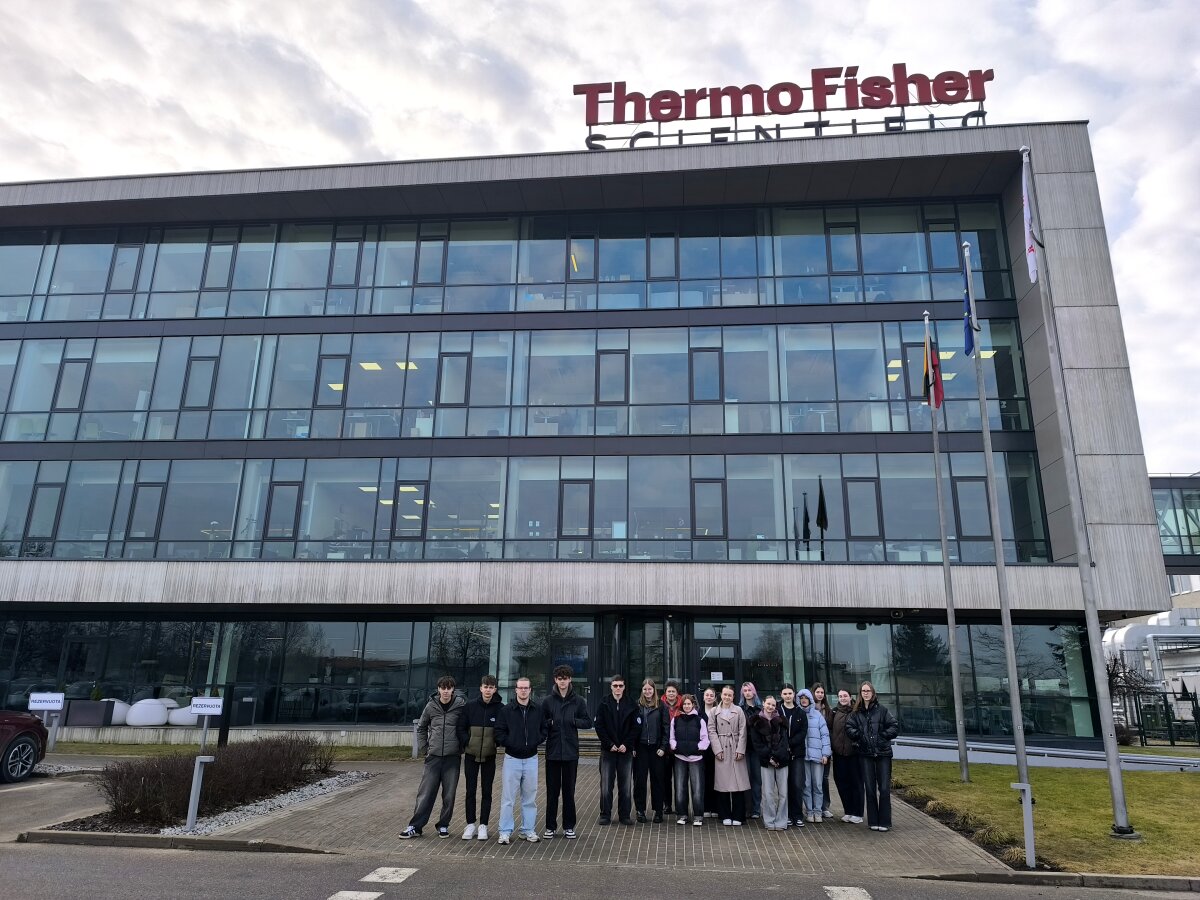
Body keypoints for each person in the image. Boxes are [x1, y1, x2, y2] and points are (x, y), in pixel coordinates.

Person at [398, 675, 467, 840]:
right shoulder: (431, 706)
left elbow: (467, 727)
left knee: (449, 795)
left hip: (452, 758)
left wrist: (462, 746)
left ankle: (443, 825)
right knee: (425, 794)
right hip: (433, 757)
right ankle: (415, 826)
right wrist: (424, 748)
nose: (446, 691)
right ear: (438, 689)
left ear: (453, 689)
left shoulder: (460, 706)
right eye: (443, 688)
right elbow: (421, 728)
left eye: (449, 688)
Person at [494, 675, 548, 844]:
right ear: (516, 690)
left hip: (531, 758)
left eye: (526, 688)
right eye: (520, 688)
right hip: (512, 758)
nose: (523, 690)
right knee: (508, 798)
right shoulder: (506, 710)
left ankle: (528, 830)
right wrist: (512, 744)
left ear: (530, 690)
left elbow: (544, 729)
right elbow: (499, 732)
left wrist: (535, 742)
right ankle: (505, 831)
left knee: (530, 798)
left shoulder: (538, 710)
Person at [542, 664, 592, 840]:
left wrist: (573, 721)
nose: (562, 682)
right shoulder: (548, 701)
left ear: (570, 679)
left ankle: (569, 826)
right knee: (552, 791)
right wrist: (550, 723)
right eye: (559, 679)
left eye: (565, 678)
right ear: (555, 680)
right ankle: (550, 827)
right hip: (553, 752)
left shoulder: (578, 701)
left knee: (569, 791)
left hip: (571, 752)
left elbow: (588, 722)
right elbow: (541, 723)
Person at [845, 680, 900, 832]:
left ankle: (885, 821)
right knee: (869, 788)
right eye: (863, 691)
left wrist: (882, 736)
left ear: (873, 692)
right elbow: (849, 727)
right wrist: (859, 736)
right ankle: (873, 821)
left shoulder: (882, 710)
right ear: (860, 693)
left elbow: (894, 726)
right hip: (865, 754)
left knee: (884, 788)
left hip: (883, 753)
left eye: (868, 691)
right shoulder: (856, 713)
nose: (866, 693)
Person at [461, 674, 503, 841]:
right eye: (485, 687)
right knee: (470, 791)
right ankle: (470, 824)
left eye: (491, 687)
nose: (488, 690)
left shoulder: (500, 708)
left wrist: (496, 743)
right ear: (480, 688)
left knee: (487, 791)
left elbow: (502, 729)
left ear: (495, 689)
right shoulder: (470, 706)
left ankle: (483, 825)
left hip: (489, 756)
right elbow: (461, 728)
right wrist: (467, 742)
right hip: (471, 756)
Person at [595, 674, 638, 826]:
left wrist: (627, 744)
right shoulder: (604, 703)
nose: (618, 688)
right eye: (615, 685)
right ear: (611, 686)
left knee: (625, 785)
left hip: (625, 751)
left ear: (624, 687)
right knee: (606, 785)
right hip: (608, 751)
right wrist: (609, 744)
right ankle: (605, 814)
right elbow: (599, 726)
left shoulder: (631, 704)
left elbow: (636, 727)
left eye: (620, 685)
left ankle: (624, 815)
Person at [708, 685, 749, 825]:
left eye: (729, 695)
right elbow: (711, 731)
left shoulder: (739, 710)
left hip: (735, 746)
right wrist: (717, 750)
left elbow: (743, 731)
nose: (727, 697)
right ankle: (724, 814)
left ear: (733, 697)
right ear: (721, 695)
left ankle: (738, 815)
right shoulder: (714, 711)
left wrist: (740, 749)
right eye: (725, 694)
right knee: (723, 783)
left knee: (738, 783)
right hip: (722, 748)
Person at [749, 694, 791, 831]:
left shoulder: (782, 721)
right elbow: (757, 744)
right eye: (768, 704)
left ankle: (781, 821)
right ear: (763, 703)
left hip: (782, 761)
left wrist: (777, 757)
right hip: (766, 761)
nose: (770, 707)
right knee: (768, 793)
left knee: (783, 793)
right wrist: (770, 758)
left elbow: (784, 741)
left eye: (773, 705)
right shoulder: (755, 721)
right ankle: (769, 820)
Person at [669, 693, 709, 826]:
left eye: (689, 704)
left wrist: (697, 748)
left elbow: (705, 739)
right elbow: (672, 737)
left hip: (696, 758)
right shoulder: (676, 720)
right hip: (679, 757)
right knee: (680, 787)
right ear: (681, 705)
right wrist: (675, 746)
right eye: (684, 704)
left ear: (693, 705)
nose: (686, 706)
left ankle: (698, 816)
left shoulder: (699, 720)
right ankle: (682, 815)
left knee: (697, 788)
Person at [633, 678, 668, 823]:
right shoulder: (637, 706)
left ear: (654, 690)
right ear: (642, 690)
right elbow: (632, 727)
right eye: (645, 689)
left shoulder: (661, 706)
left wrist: (663, 747)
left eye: (650, 689)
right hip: (640, 748)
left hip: (656, 749)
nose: (648, 692)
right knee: (640, 781)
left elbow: (666, 728)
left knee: (658, 780)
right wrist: (633, 747)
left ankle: (658, 811)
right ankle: (640, 810)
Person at [830, 688, 864, 824]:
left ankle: (858, 813)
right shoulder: (835, 712)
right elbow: (831, 730)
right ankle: (848, 811)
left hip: (854, 754)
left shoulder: (857, 712)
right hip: (839, 754)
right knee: (842, 783)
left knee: (856, 783)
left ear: (850, 697)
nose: (843, 698)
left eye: (845, 696)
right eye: (840, 696)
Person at [797, 688, 831, 824]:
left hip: (817, 756)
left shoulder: (818, 715)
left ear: (810, 699)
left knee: (817, 785)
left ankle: (818, 811)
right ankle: (809, 811)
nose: (804, 700)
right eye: (801, 698)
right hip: (804, 756)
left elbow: (825, 735)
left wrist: (825, 754)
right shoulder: (798, 714)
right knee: (806, 785)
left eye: (806, 698)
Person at [778, 683, 808, 827]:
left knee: (797, 784)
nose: (788, 696)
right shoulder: (777, 711)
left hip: (797, 753)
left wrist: (790, 743)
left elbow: (803, 732)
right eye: (785, 693)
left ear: (794, 694)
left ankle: (797, 815)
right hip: (782, 753)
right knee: (784, 785)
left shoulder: (800, 712)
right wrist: (784, 744)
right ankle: (787, 815)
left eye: (790, 693)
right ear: (781, 695)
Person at [737, 681, 763, 818]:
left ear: (754, 692)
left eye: (749, 690)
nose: (747, 693)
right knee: (745, 778)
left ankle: (756, 809)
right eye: (744, 691)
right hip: (745, 748)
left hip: (757, 749)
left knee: (757, 779)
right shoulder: (739, 709)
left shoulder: (761, 708)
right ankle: (748, 808)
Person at [811, 682, 834, 819]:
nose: (820, 695)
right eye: (817, 692)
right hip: (812, 749)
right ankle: (812, 807)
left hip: (825, 749)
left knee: (824, 778)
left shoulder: (829, 711)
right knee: (811, 780)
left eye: (822, 692)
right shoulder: (808, 709)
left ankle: (824, 806)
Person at [660, 680, 683, 813]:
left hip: (679, 748)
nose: (671, 694)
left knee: (680, 779)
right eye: (669, 691)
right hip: (665, 749)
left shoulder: (684, 704)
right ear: (665, 693)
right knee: (665, 779)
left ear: (677, 692)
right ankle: (667, 805)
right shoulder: (660, 705)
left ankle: (680, 806)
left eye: (673, 691)